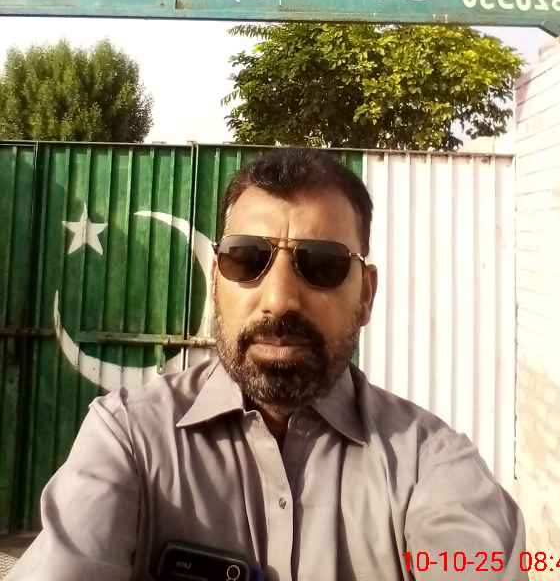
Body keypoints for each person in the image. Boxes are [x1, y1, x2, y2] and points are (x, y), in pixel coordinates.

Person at [8, 147, 527, 581]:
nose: (279, 300)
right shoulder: (130, 440)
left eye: (321, 264)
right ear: (216, 282)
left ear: (366, 295)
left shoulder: (429, 465)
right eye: (247, 259)